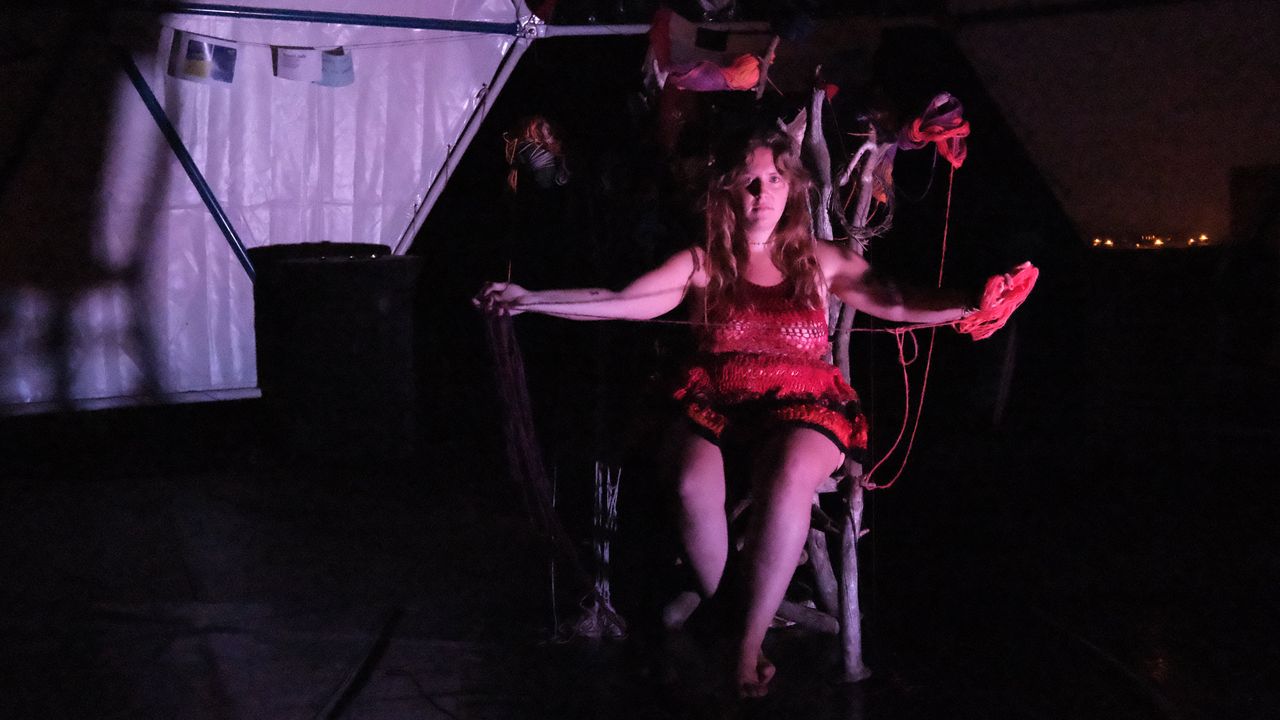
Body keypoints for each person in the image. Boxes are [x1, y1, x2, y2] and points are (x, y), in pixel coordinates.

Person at [478, 129, 1016, 697]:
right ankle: (733, 609)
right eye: (750, 182)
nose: (763, 193)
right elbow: (622, 301)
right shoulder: (704, 261)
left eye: (775, 181)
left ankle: (745, 644)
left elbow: (897, 300)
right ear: (727, 192)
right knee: (688, 483)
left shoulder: (820, 258)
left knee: (786, 476)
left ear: (792, 189)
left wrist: (968, 305)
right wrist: (531, 299)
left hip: (805, 402)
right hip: (714, 399)